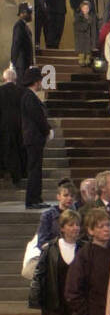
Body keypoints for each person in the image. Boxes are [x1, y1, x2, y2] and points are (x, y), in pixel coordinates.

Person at [20, 66, 51, 210]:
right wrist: (47, 130)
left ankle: (35, 198)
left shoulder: (29, 96)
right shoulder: (29, 96)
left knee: (35, 169)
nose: (41, 84)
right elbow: (38, 118)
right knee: (34, 170)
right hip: (34, 139)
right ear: (36, 81)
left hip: (33, 139)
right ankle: (33, 199)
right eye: (40, 81)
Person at [11, 3, 35, 78]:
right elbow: (16, 44)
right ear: (22, 13)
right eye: (29, 13)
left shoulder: (25, 26)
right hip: (21, 64)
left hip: (26, 63)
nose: (31, 15)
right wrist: (13, 62)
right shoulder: (19, 26)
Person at [73, 0, 96, 66]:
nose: (85, 9)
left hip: (89, 41)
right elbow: (78, 27)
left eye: (87, 8)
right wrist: (87, 23)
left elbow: (94, 29)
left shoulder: (92, 17)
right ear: (81, 8)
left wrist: (94, 42)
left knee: (88, 60)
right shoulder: (78, 17)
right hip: (81, 40)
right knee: (81, 59)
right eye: (84, 8)